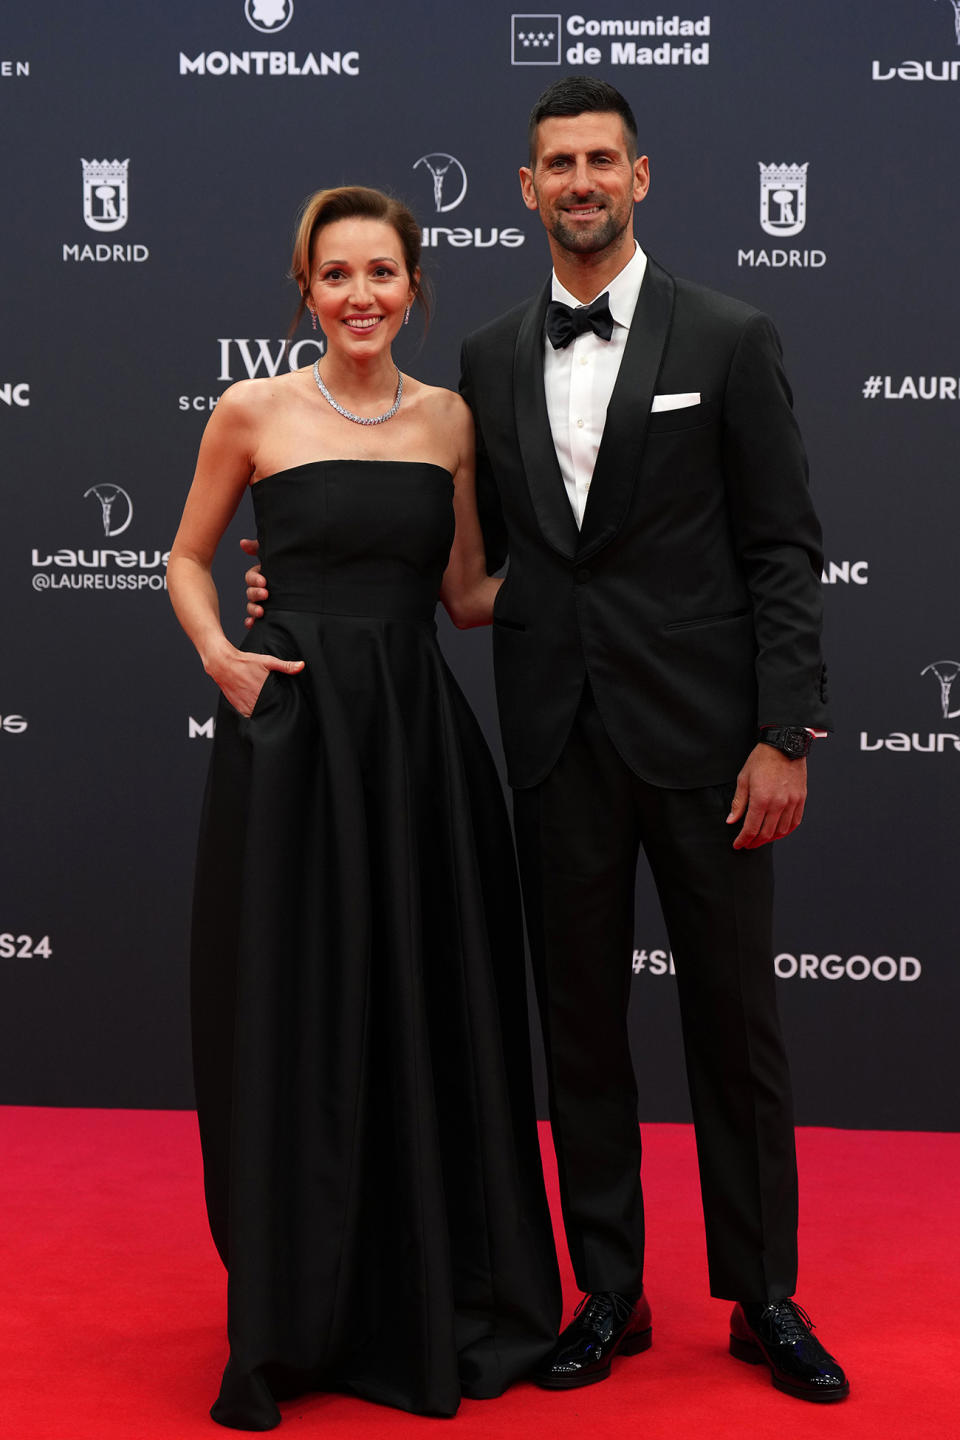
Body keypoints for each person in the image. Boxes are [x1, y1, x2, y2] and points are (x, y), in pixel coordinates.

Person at [250, 82, 849, 1403]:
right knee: (578, 1029)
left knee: (734, 1028)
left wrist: (783, 733)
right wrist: (286, 591)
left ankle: (763, 1298)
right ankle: (608, 1292)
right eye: (554, 164)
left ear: (641, 176)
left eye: (599, 160)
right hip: (554, 740)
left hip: (708, 746)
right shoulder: (489, 358)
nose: (578, 180)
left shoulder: (733, 337)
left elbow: (783, 550)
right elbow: (460, 564)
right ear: (523, 191)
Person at [168, 184, 561, 1430]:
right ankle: (296, 1303)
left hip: (417, 746)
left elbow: (463, 594)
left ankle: (423, 1286)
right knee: (297, 1004)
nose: (360, 296)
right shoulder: (252, 410)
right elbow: (185, 557)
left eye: (381, 273)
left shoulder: (451, 420)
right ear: (305, 289)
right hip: (294, 745)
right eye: (336, 275)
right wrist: (221, 660)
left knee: (420, 1001)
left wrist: (606, 570)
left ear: (414, 286)